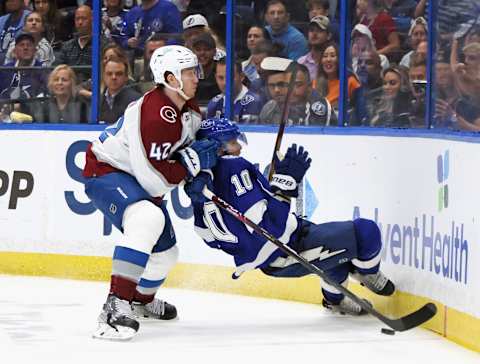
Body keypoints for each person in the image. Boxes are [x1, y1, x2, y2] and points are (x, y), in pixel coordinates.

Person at [184, 117, 395, 316]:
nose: (238, 147)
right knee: (366, 233)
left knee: (337, 257)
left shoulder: (201, 188)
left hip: (275, 252)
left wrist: (271, 190)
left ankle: (335, 299)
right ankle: (367, 273)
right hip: (284, 250)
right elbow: (272, 228)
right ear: (215, 147)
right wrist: (285, 188)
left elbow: (209, 237)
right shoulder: (232, 167)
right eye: (231, 142)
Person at [82, 45, 220, 340]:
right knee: (148, 218)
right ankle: (115, 305)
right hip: (107, 170)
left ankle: (140, 300)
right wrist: (190, 166)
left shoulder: (189, 110)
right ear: (171, 79)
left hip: (135, 178)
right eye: (189, 72)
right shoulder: (154, 113)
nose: (198, 76)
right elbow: (155, 180)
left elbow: (185, 148)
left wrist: (219, 143)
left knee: (166, 254)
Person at [260, 62, 337, 126]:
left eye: (297, 85)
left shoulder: (319, 106)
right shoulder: (270, 108)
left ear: (309, 87)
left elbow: (316, 138)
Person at [207, 58, 263, 123]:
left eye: (230, 77)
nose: (225, 82)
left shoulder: (254, 102)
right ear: (215, 78)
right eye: (220, 78)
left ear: (242, 76)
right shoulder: (214, 103)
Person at [99, 56, 141, 124]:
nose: (113, 77)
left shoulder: (136, 101)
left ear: (126, 77)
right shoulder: (97, 100)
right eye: (109, 74)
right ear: (103, 76)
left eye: (119, 74)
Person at [297, 15, 331, 81]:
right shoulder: (301, 62)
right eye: (311, 30)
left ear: (328, 35)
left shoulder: (333, 62)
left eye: (319, 30)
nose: (314, 34)